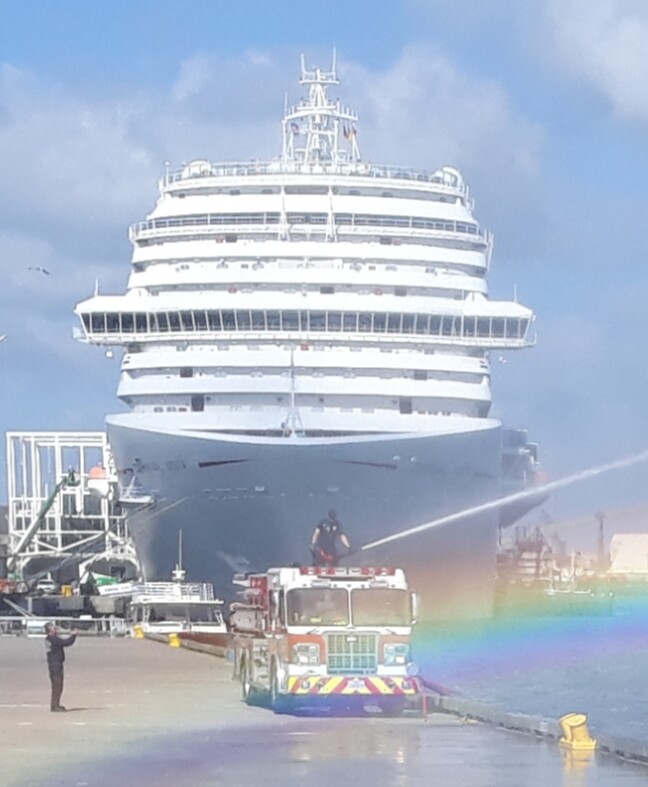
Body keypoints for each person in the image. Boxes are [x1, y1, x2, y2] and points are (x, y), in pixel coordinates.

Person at [44, 622, 78, 713]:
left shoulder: (50, 639)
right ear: (50, 630)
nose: (56, 629)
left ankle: (56, 704)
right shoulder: (53, 639)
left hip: (54, 664)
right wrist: (73, 635)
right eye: (54, 628)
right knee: (57, 686)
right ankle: (54, 706)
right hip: (55, 665)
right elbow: (66, 642)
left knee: (57, 686)